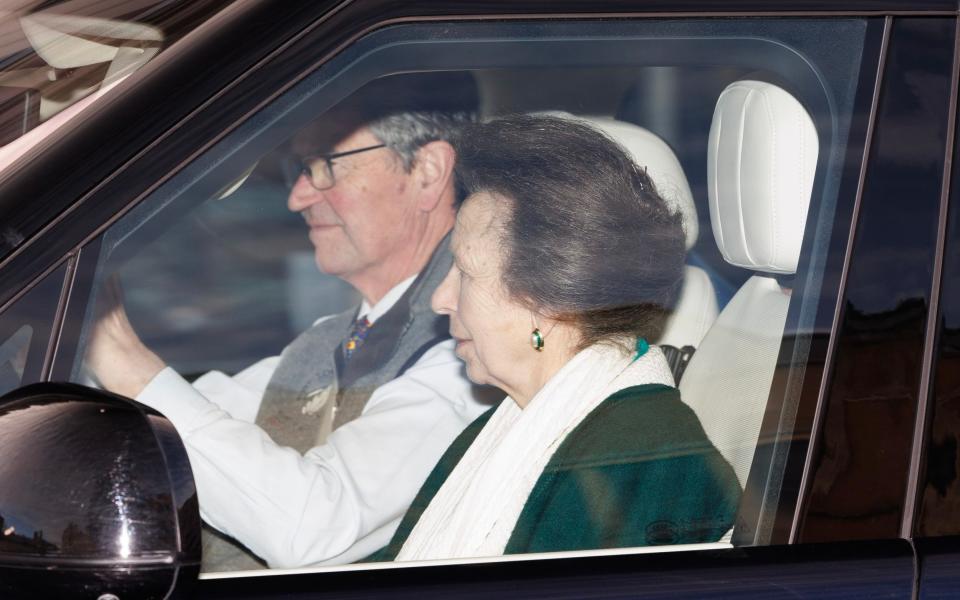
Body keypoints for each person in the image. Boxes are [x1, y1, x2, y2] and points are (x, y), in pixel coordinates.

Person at [86, 73, 493, 570]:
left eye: (325, 164)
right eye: (300, 168)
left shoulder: (469, 353)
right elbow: (192, 419)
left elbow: (314, 529)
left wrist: (120, 353)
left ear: (428, 172)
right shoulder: (333, 340)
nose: (298, 197)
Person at [375, 114, 741, 561]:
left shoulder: (641, 464)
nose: (440, 299)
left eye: (464, 273)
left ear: (546, 303)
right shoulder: (500, 427)